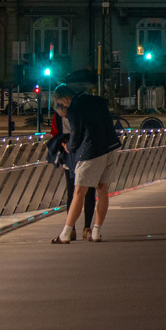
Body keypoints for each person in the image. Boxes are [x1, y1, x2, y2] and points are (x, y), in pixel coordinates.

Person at [51, 85, 121, 243]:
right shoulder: (98, 100)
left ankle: (65, 234)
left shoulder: (74, 108)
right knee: (102, 189)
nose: (63, 105)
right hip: (110, 147)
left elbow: (75, 137)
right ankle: (96, 231)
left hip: (92, 151)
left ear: (65, 99)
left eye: (61, 102)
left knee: (78, 193)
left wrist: (67, 147)